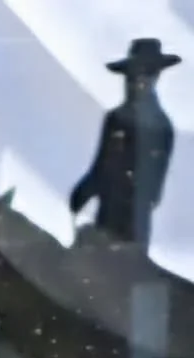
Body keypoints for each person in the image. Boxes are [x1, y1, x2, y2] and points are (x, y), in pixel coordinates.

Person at [70, 37, 180, 254]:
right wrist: (83, 193)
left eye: (143, 75)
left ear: (154, 78)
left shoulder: (160, 127)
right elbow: (100, 166)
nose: (135, 82)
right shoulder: (115, 119)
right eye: (131, 77)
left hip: (133, 226)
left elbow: (153, 188)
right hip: (107, 217)